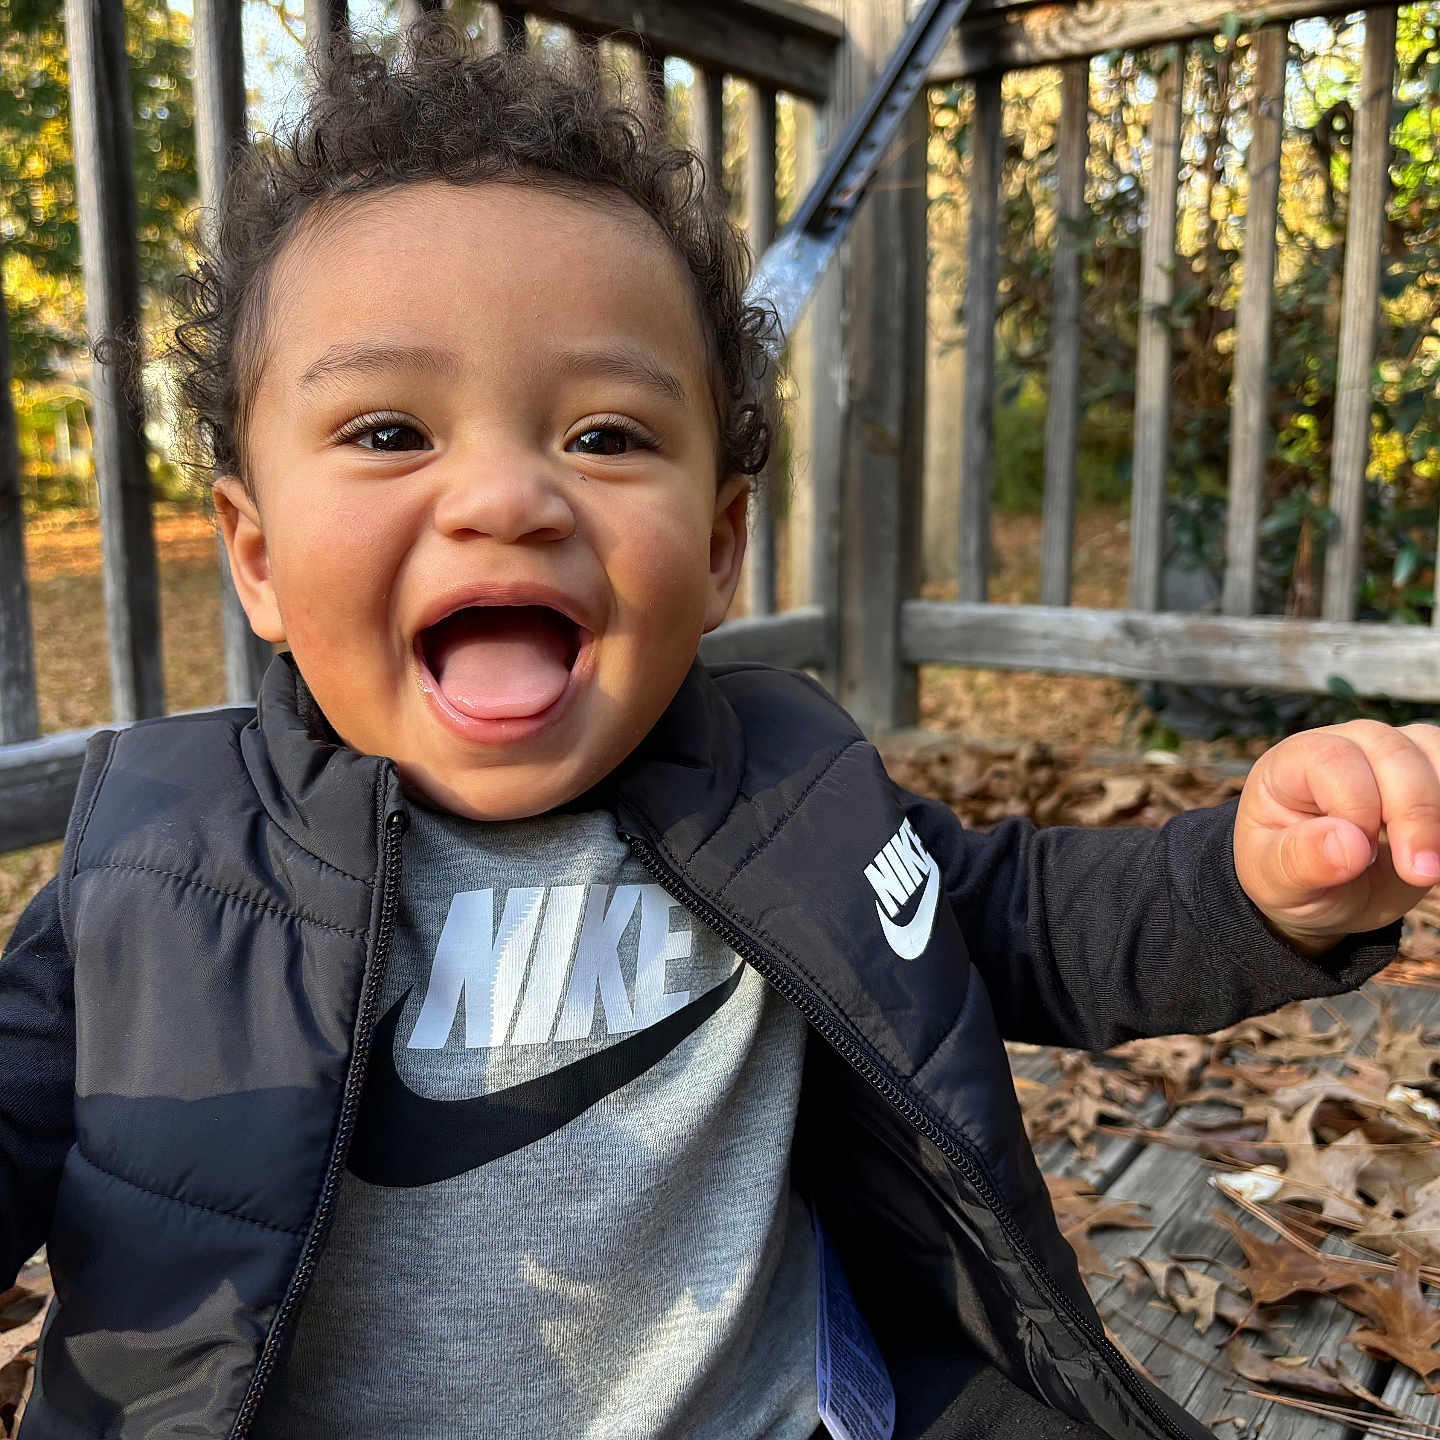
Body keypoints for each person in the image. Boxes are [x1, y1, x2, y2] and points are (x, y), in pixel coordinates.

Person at [0, 17, 1431, 1440]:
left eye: (606, 435)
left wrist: (1253, 886)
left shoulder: (786, 799)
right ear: (254, 554)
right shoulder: (158, 868)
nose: (507, 498)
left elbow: (1024, 927)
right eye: (389, 432)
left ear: (722, 543)